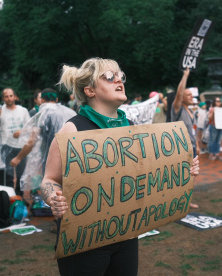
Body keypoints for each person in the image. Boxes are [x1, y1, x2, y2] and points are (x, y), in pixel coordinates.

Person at [41, 57, 200, 275]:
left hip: (125, 235)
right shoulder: (72, 130)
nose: (119, 80)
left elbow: (150, 172)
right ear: (90, 91)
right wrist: (53, 197)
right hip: (84, 241)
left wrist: (182, 168)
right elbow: (50, 179)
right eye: (109, 77)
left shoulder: (132, 129)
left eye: (120, 76)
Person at [10, 88, 76, 193]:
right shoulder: (71, 112)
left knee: (54, 190)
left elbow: (32, 141)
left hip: (53, 160)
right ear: (57, 99)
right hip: (73, 157)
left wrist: (18, 158)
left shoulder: (43, 114)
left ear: (42, 100)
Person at [0, 88, 30, 196]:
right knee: (8, 174)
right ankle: (9, 196)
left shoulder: (23, 110)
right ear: (3, 98)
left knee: (21, 174)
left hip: (21, 146)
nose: (9, 98)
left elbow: (30, 128)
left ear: (15, 96)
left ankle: (20, 197)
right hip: (6, 146)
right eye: (6, 96)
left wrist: (21, 131)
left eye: (11, 96)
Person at [171, 67, 199, 209]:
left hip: (192, 148)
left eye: (191, 95)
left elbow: (193, 130)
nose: (190, 97)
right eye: (187, 95)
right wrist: (185, 76)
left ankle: (187, 201)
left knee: (192, 175)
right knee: (181, 176)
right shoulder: (177, 108)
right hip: (180, 148)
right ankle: (177, 203)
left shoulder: (191, 111)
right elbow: (179, 94)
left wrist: (197, 145)